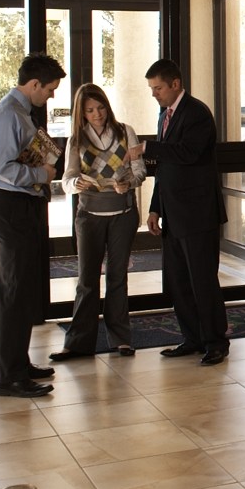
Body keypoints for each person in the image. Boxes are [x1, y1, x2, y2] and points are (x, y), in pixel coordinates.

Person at [125, 59, 228, 365]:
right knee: (179, 281)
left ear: (175, 84)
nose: (154, 94)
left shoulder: (197, 113)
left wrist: (148, 148)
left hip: (198, 215)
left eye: (158, 88)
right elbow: (167, 169)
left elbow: (188, 153)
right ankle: (192, 338)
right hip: (173, 214)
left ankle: (215, 342)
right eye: (151, 89)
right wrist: (156, 207)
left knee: (203, 281)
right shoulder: (165, 115)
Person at [0, 52, 65, 398]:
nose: (51, 96)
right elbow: (0, 166)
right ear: (33, 84)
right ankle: (11, 376)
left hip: (22, 206)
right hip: (11, 206)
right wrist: (42, 173)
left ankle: (13, 362)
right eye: (49, 90)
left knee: (11, 290)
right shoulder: (6, 115)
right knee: (14, 294)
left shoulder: (20, 112)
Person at [51, 83, 145, 361]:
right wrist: (75, 183)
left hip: (122, 216)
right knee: (87, 281)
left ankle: (121, 339)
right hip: (89, 217)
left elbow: (139, 171)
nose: (97, 114)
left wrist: (128, 182)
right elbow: (65, 180)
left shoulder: (125, 131)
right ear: (82, 113)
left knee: (118, 278)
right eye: (90, 110)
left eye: (101, 108)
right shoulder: (76, 140)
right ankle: (78, 343)